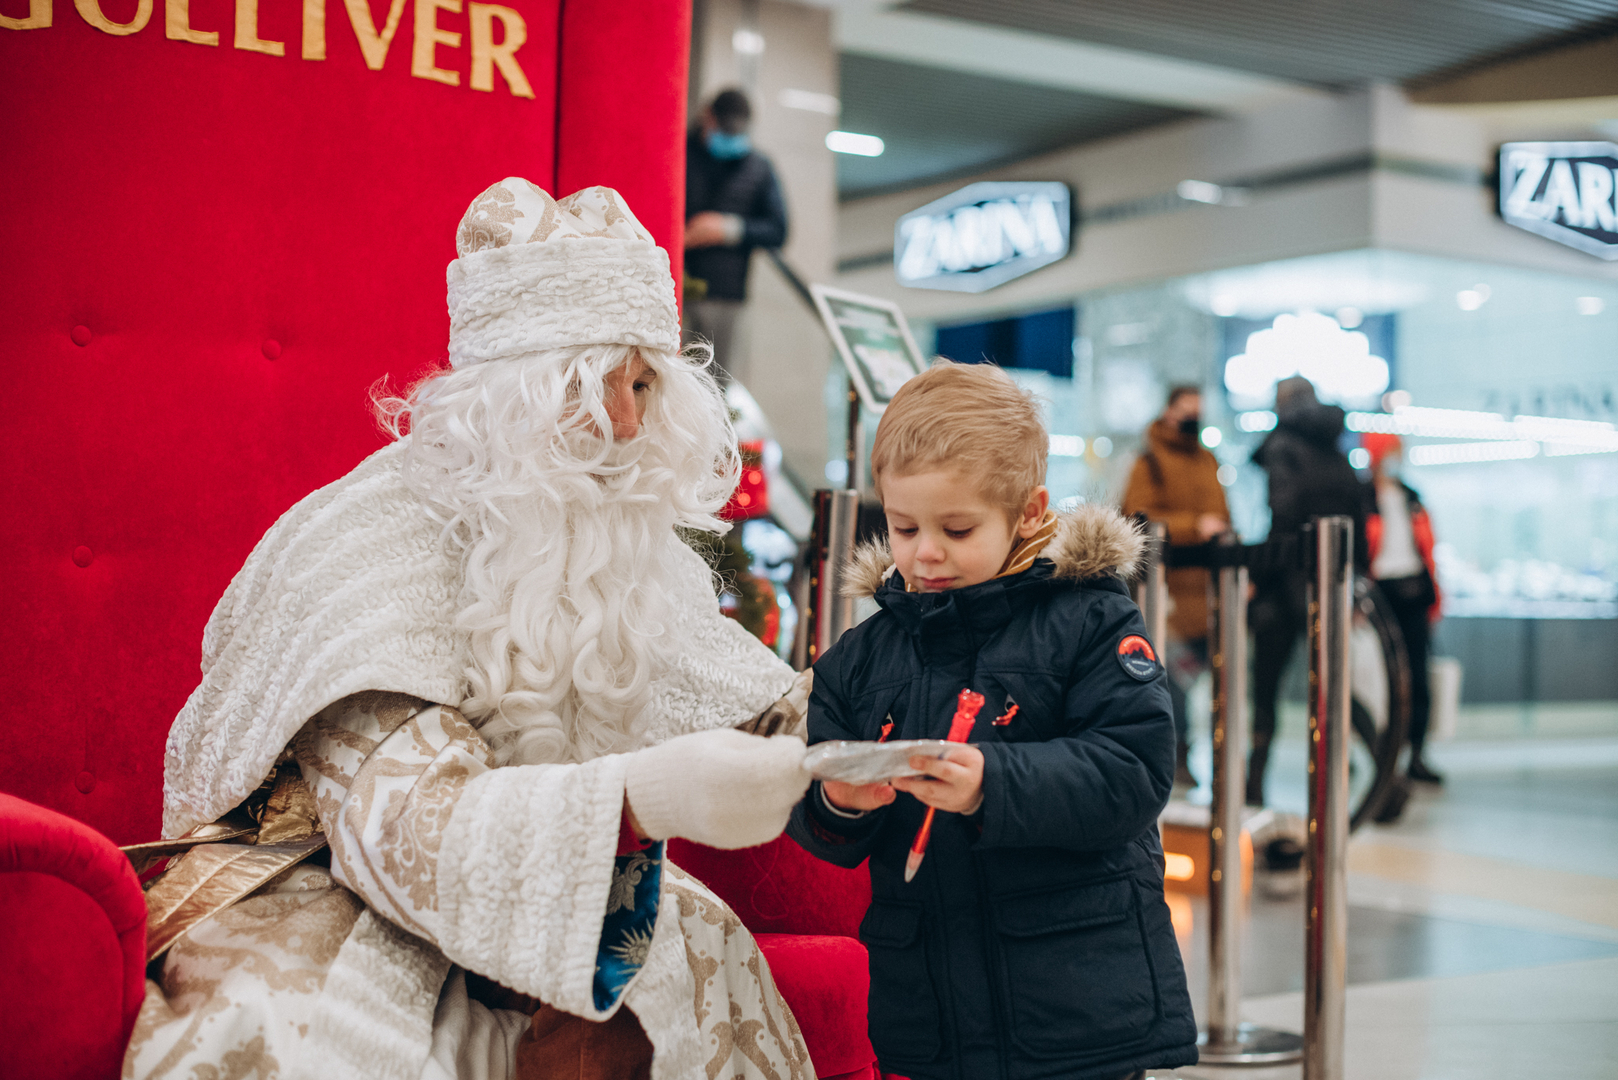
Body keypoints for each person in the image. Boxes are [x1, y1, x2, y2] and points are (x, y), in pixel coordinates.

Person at [125, 178, 818, 1080]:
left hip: (558, 870)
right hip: (329, 877)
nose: (628, 424)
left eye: (644, 384)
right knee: (315, 1035)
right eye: (590, 386)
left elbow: (754, 701)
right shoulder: (370, 538)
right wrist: (642, 798)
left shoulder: (614, 541)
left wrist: (868, 712)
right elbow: (403, 830)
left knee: (694, 974)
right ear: (508, 399)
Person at [787, 362, 1197, 1080]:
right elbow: (821, 820)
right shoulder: (860, 658)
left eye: (957, 528)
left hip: (1075, 1006)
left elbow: (1132, 772)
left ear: (1029, 513)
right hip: (927, 1011)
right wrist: (838, 803)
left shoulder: (1092, 622)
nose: (925, 552)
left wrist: (992, 783)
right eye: (903, 526)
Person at [1247, 376, 1366, 806]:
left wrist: (1258, 574)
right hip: (1329, 583)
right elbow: (1358, 518)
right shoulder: (1337, 447)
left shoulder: (1283, 446)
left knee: (1266, 689)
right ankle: (1381, 766)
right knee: (1333, 681)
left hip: (1284, 585)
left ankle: (1253, 781)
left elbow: (1282, 514)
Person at [1121, 384, 1229, 787]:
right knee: (1171, 683)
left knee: (1202, 682)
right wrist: (1194, 526)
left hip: (1208, 593)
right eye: (1187, 410)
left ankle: (1204, 755)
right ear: (1169, 411)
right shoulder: (1148, 460)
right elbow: (1138, 516)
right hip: (1166, 595)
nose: (1193, 419)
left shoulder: (1208, 460)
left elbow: (1223, 514)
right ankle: (1173, 758)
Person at [683, 87, 788, 381]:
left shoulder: (759, 167)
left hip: (724, 295)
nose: (730, 137)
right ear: (708, 117)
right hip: (675, 283)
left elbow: (778, 230)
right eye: (724, 129)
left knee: (713, 383)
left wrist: (728, 229)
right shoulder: (680, 154)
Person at [1362, 432, 1445, 784]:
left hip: (1414, 592)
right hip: (1380, 594)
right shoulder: (1363, 499)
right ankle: (1382, 754)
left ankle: (1417, 753)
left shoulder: (1411, 498)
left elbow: (1428, 550)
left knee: (1417, 678)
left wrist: (1435, 598)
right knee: (1381, 680)